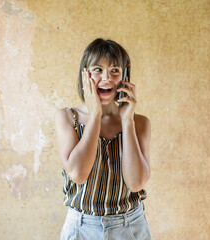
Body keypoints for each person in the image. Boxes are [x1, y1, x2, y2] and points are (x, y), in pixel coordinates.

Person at [55, 38, 152, 240]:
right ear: (85, 74)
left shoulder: (140, 123)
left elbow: (136, 184)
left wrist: (127, 121)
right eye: (98, 69)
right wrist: (95, 115)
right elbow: (78, 174)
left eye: (115, 70)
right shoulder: (66, 118)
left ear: (125, 76)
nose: (106, 78)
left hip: (130, 228)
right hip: (81, 229)